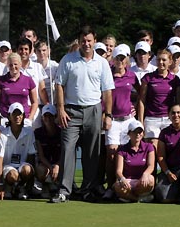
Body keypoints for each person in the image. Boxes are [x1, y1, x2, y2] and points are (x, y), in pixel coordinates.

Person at [51, 25, 114, 203]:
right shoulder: (68, 59)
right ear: (79, 42)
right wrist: (60, 109)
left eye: (89, 40)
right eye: (83, 41)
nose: (86, 44)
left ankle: (87, 189)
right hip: (70, 111)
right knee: (67, 149)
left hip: (94, 110)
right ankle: (64, 191)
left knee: (92, 152)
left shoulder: (101, 63)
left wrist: (108, 115)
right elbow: (59, 85)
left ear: (94, 41)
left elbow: (108, 91)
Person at [103, 46, 139, 200]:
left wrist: (135, 106)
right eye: (118, 57)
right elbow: (102, 96)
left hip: (128, 120)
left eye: (123, 58)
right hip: (113, 120)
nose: (120, 61)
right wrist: (105, 115)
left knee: (127, 154)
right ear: (114, 59)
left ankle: (126, 186)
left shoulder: (132, 76)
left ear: (127, 60)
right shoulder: (107, 76)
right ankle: (111, 187)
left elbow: (140, 92)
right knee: (111, 154)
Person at [137, 48, 180, 147]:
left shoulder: (175, 80)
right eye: (158, 60)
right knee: (153, 146)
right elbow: (141, 100)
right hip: (151, 119)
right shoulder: (148, 78)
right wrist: (140, 122)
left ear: (170, 62)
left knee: (169, 147)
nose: (161, 62)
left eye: (164, 60)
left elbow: (178, 102)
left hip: (169, 119)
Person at [0, 103, 37, 200]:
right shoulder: (3, 134)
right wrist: (0, 183)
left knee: (27, 169)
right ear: (9, 116)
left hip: (22, 166)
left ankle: (22, 187)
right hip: (8, 167)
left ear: (23, 116)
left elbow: (31, 157)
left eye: (20, 114)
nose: (17, 117)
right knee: (13, 175)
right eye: (14, 114)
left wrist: (30, 182)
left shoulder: (29, 132)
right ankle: (9, 187)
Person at [113, 120, 155, 203]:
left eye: (140, 132)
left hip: (141, 180)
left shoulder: (149, 147)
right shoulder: (122, 149)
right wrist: (122, 179)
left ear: (143, 133)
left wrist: (145, 174)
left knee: (151, 180)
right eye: (135, 132)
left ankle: (128, 197)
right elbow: (118, 171)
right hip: (128, 181)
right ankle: (138, 198)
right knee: (117, 186)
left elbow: (151, 166)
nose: (138, 134)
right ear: (129, 134)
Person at [0, 52, 38, 125]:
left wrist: (30, 118)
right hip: (6, 119)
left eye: (15, 64)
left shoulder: (28, 80)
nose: (13, 66)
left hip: (24, 119)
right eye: (10, 64)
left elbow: (35, 102)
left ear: (20, 64)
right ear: (7, 65)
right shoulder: (0, 80)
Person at [34, 104, 62, 198]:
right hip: (45, 164)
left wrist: (57, 166)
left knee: (66, 168)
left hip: (58, 163)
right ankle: (46, 185)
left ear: (55, 117)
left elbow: (64, 154)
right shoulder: (38, 133)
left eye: (50, 116)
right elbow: (41, 156)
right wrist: (51, 168)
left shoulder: (61, 132)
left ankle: (60, 186)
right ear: (42, 117)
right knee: (41, 170)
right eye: (46, 116)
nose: (48, 118)